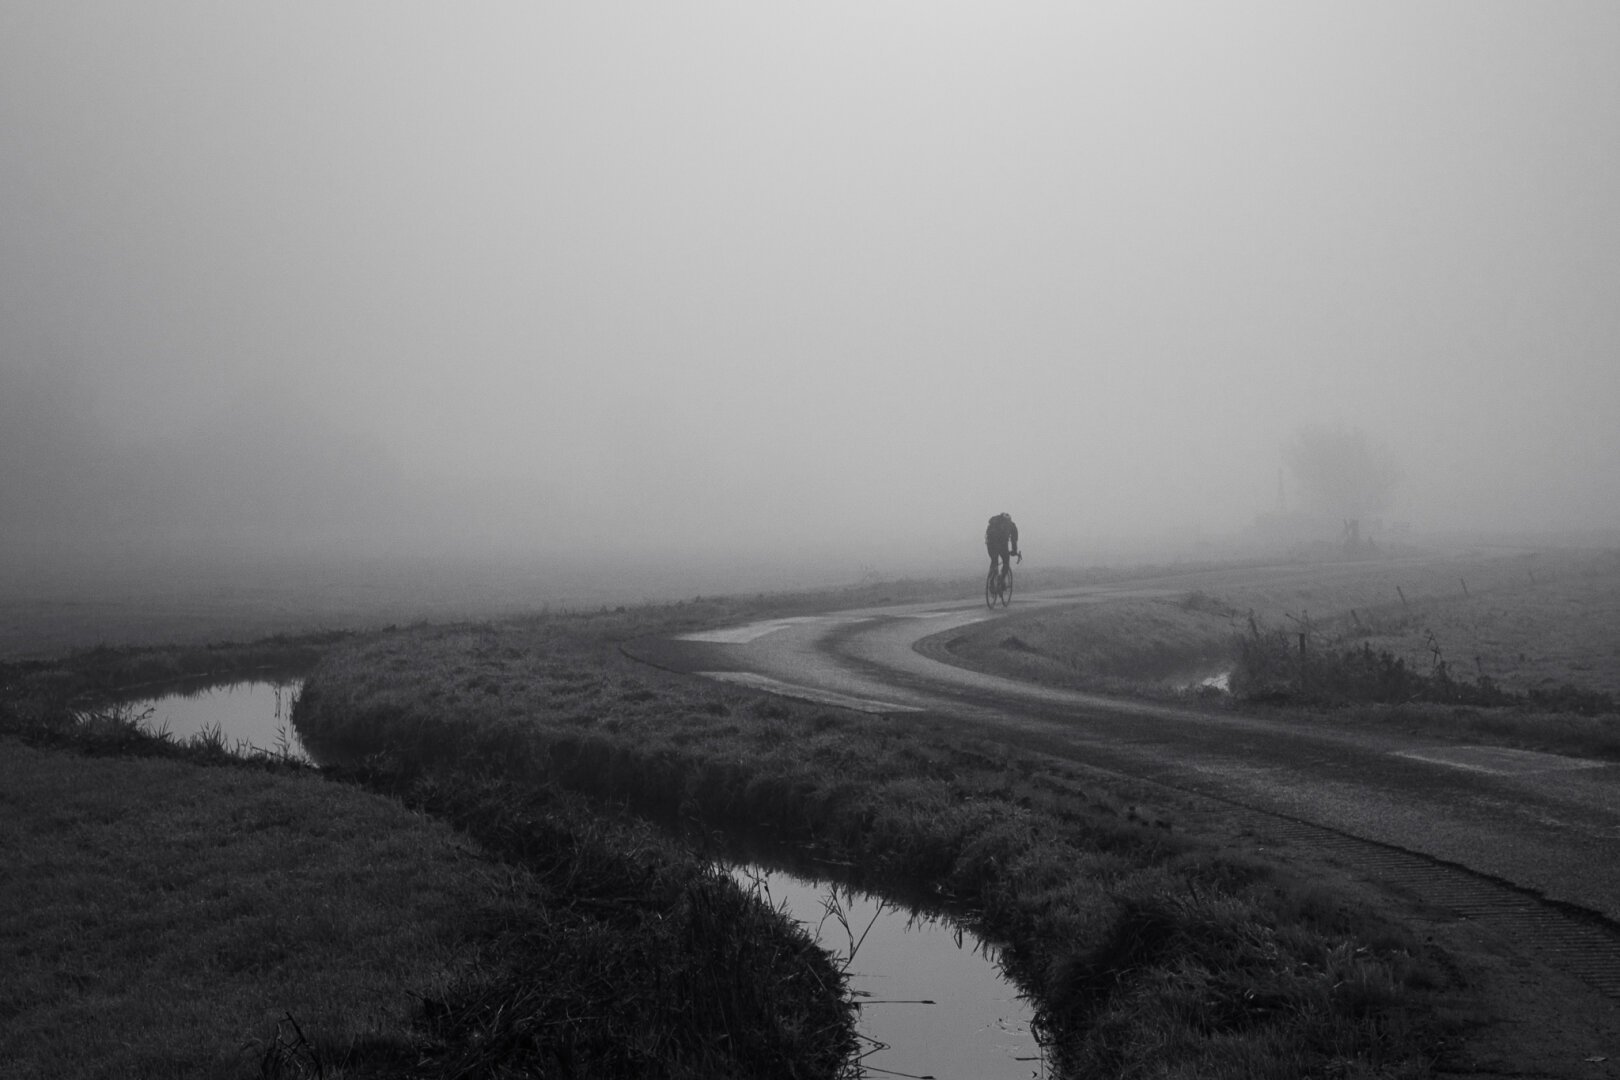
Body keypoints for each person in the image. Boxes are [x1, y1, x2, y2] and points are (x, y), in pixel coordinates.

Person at [985, 512, 1021, 579]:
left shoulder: (994, 523)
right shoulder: (1011, 525)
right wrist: (1014, 551)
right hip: (1003, 545)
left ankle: (992, 579)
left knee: (994, 560)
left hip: (991, 544)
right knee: (1006, 562)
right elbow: (1014, 540)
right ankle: (1001, 580)